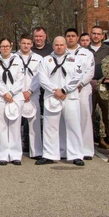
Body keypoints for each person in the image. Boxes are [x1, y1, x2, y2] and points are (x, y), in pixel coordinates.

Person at [36, 36, 86, 167]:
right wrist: (55, 91)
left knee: (73, 126)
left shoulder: (75, 59)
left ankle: (76, 155)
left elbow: (78, 77)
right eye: (56, 45)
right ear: (53, 46)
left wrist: (64, 90)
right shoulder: (46, 60)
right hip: (52, 97)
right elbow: (42, 78)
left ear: (65, 46)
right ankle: (49, 154)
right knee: (49, 127)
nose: (59, 47)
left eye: (61, 45)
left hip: (70, 97)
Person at [0, 38, 25, 165]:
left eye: (7, 46)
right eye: (2, 46)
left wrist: (11, 93)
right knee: (1, 127)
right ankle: (3, 155)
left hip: (15, 97)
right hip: (0, 97)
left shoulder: (18, 60)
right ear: (0, 47)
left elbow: (20, 79)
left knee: (15, 127)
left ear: (11, 47)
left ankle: (15, 155)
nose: (5, 48)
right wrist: (5, 93)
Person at [65, 29, 95, 160]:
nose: (70, 38)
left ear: (77, 38)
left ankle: (86, 150)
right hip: (66, 90)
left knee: (84, 118)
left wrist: (80, 84)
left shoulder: (86, 53)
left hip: (82, 89)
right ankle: (68, 149)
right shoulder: (61, 52)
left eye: (73, 36)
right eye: (68, 36)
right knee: (68, 119)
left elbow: (90, 72)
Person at [17, 34, 42, 159]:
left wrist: (30, 91)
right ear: (19, 43)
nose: (26, 46)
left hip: (33, 94)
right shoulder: (13, 58)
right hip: (17, 95)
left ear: (32, 44)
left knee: (34, 124)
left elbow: (40, 77)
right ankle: (16, 152)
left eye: (28, 43)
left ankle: (36, 151)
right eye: (23, 43)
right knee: (15, 125)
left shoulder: (38, 58)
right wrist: (20, 91)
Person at [88, 26, 109, 151]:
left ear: (103, 36)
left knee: (107, 114)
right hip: (88, 86)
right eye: (94, 33)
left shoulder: (108, 50)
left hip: (104, 86)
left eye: (99, 34)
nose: (96, 36)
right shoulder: (84, 51)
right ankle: (88, 142)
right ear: (90, 35)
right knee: (88, 115)